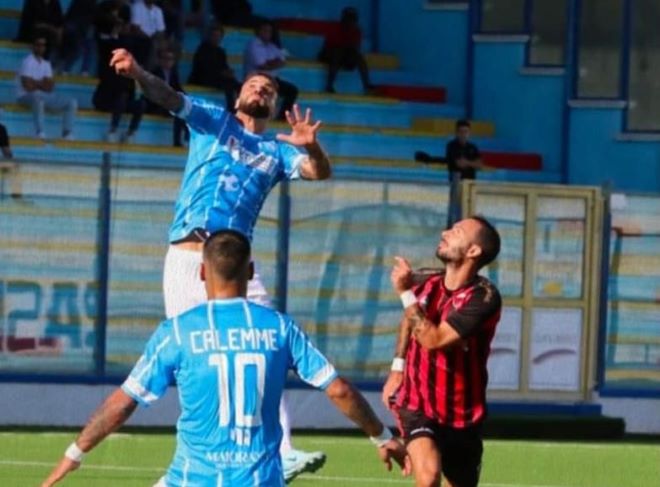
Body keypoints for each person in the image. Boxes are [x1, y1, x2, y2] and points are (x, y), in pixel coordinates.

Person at [109, 48, 334, 481]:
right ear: (238, 96)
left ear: (275, 106)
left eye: (268, 90)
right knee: (193, 357)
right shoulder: (213, 121)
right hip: (187, 258)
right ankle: (198, 457)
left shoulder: (278, 152)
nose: (261, 91)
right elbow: (167, 96)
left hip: (237, 264)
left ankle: (284, 452)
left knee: (267, 343)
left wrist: (313, 146)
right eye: (254, 85)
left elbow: (319, 172)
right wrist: (137, 71)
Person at [41, 230, 407, 487]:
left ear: (202, 272)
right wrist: (381, 436)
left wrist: (75, 452)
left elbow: (123, 404)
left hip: (191, 479)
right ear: (250, 272)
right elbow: (339, 390)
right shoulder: (280, 328)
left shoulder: (177, 331)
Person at [382, 216, 502, 487]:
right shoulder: (426, 281)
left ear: (473, 251)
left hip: (463, 413)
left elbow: (433, 339)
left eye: (456, 231)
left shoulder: (484, 298)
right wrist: (397, 368)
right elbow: (410, 318)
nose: (445, 233)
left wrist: (404, 293)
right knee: (428, 478)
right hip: (417, 403)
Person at [16, 35, 78, 140]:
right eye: (38, 45)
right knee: (38, 97)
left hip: (43, 95)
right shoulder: (27, 62)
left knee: (71, 102)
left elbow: (50, 87)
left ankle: (67, 132)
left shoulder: (46, 64)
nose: (41, 47)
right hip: (24, 96)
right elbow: (27, 86)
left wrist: (35, 82)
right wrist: (41, 83)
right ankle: (39, 131)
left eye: (43, 45)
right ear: (33, 46)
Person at [243, 20, 297, 120]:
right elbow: (262, 65)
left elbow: (282, 61)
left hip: (271, 79)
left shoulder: (271, 46)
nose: (267, 33)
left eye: (269, 31)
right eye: (264, 30)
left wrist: (271, 63)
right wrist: (274, 62)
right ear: (258, 31)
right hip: (255, 79)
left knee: (291, 90)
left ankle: (281, 118)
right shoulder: (253, 44)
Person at [318, 6, 374, 94]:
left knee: (359, 57)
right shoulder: (335, 28)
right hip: (330, 55)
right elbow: (330, 46)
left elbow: (355, 49)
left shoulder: (356, 31)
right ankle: (329, 86)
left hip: (345, 57)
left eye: (352, 19)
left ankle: (366, 85)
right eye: (348, 18)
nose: (350, 21)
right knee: (337, 53)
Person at [188, 23, 241, 111]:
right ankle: (231, 108)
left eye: (218, 36)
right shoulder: (202, 49)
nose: (216, 38)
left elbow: (224, 66)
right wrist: (221, 73)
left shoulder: (220, 52)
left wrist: (229, 72)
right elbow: (204, 69)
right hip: (203, 79)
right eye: (214, 35)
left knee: (237, 84)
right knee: (228, 85)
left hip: (217, 78)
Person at [145, 48, 188, 147]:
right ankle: (177, 141)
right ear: (160, 60)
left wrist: (186, 98)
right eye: (165, 58)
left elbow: (178, 88)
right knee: (177, 110)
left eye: (171, 59)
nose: (168, 61)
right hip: (157, 105)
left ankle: (186, 136)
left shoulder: (173, 73)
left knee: (183, 108)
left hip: (168, 104)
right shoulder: (155, 72)